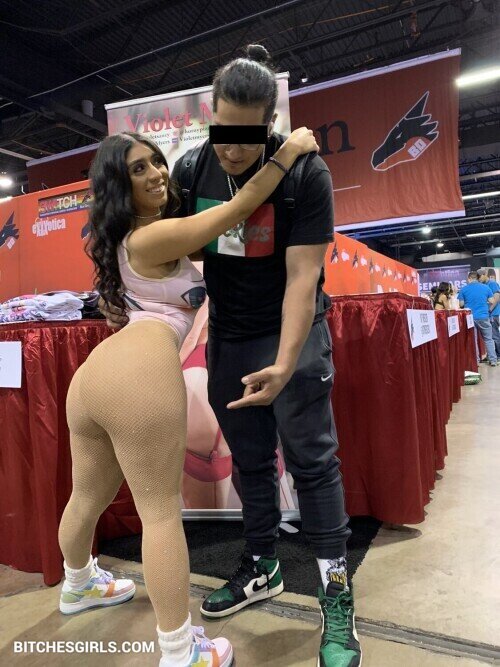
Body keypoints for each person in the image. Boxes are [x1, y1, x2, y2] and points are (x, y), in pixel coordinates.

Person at [104, 44, 362, 667]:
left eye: (248, 137)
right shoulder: (194, 168)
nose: (234, 150)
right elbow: (175, 240)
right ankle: (262, 564)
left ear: (269, 124)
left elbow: (302, 279)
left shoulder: (305, 174)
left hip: (292, 334)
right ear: (212, 117)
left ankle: (336, 598)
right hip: (228, 336)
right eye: (225, 132)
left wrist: (286, 361)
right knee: (249, 459)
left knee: (313, 463)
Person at [58, 127, 318, 667]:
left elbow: (226, 234)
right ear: (118, 185)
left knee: (87, 498)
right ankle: (181, 650)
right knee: (159, 516)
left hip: (94, 379)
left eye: (156, 161)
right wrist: (288, 152)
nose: (156, 173)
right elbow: (233, 213)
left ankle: (78, 583)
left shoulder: (139, 235)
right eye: (138, 169)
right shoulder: (150, 237)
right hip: (138, 375)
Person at [458, 271, 497, 367]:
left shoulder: (464, 289)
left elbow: (461, 304)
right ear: (478, 278)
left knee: (473, 340)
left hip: (470, 318)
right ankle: (493, 360)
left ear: (469, 278)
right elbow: (492, 301)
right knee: (488, 339)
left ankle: (476, 361)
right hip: (484, 316)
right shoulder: (486, 287)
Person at [478, 268, 500, 360]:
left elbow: (497, 297)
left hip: (493, 314)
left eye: (479, 277)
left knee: (494, 335)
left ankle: (498, 355)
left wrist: (490, 310)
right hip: (487, 314)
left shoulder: (492, 283)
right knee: (488, 337)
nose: (478, 279)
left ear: (484, 275)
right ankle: (492, 355)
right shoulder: (484, 285)